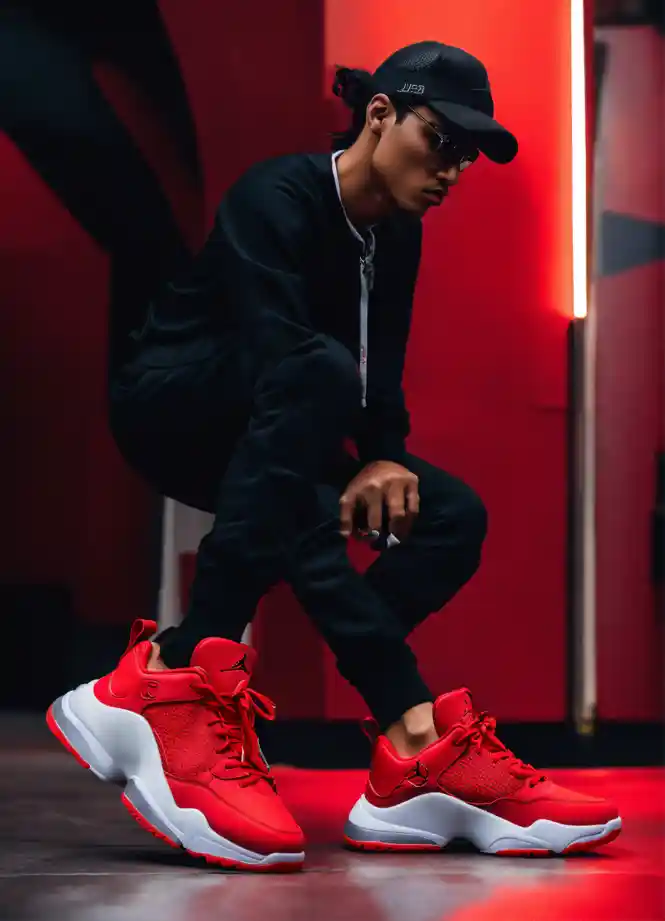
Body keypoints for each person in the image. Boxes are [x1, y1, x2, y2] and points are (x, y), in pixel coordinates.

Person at [47, 40, 621, 870]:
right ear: (378, 114)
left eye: (466, 154)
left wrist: (384, 456)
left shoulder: (397, 234)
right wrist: (347, 455)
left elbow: (379, 368)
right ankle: (393, 728)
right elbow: (281, 355)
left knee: (449, 516)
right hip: (173, 406)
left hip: (286, 425)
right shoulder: (275, 196)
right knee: (311, 394)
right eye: (439, 140)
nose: (451, 169)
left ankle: (185, 672)